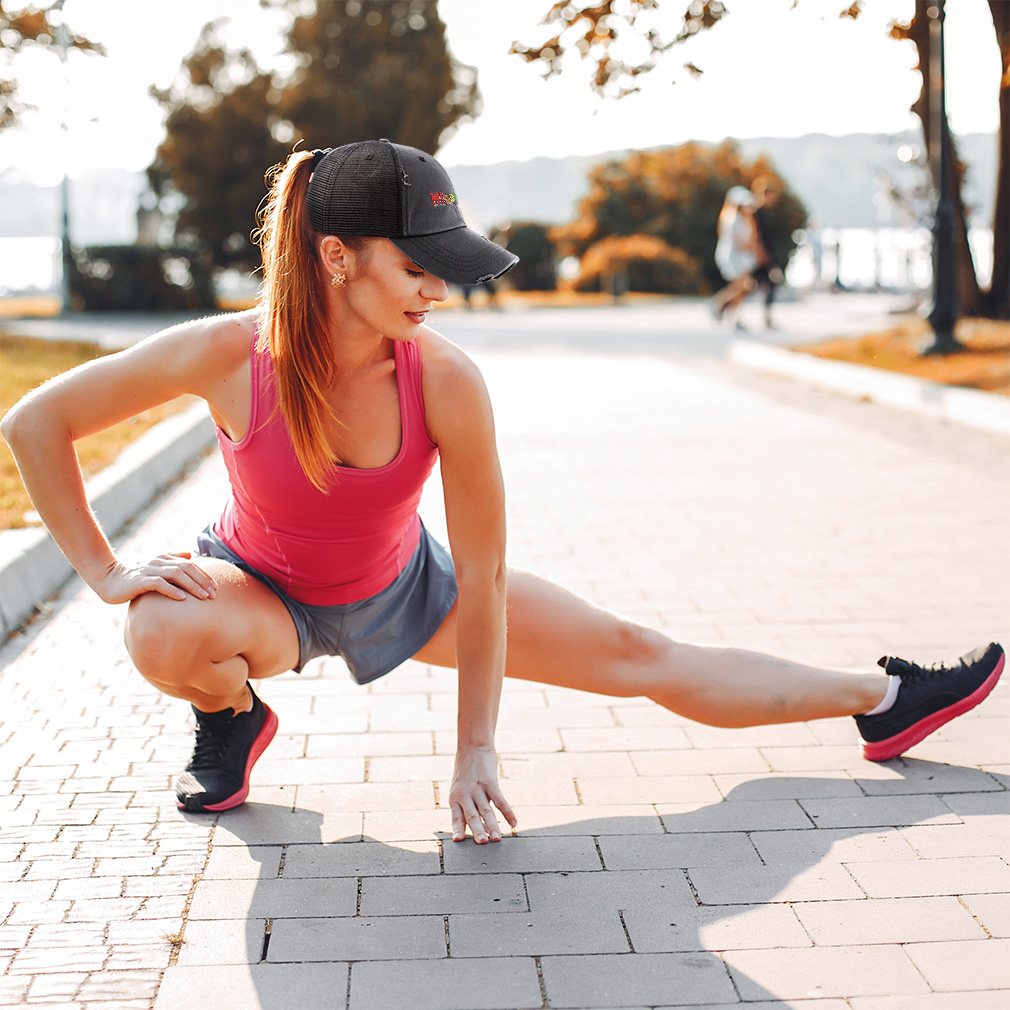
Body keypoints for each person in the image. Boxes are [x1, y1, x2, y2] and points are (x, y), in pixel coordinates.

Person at [3, 140, 1003, 846]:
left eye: (446, 268)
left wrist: (473, 748)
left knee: (639, 654)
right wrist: (102, 569)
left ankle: (878, 698)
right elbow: (34, 423)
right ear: (335, 256)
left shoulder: (443, 379)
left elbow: (478, 573)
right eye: (417, 267)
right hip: (258, 593)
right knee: (156, 631)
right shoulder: (228, 353)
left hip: (410, 589)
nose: (439, 290)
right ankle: (232, 715)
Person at [711, 185, 760, 328]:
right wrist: (754, 248)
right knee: (740, 287)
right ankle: (719, 305)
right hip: (733, 258)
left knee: (744, 288)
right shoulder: (732, 219)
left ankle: (729, 314)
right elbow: (741, 244)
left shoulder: (745, 220)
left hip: (742, 259)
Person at [750, 174, 783, 329]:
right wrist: (761, 253)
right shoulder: (755, 212)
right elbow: (755, 235)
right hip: (759, 255)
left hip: (765, 254)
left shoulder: (766, 213)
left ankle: (767, 317)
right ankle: (722, 308)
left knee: (768, 285)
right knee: (746, 286)